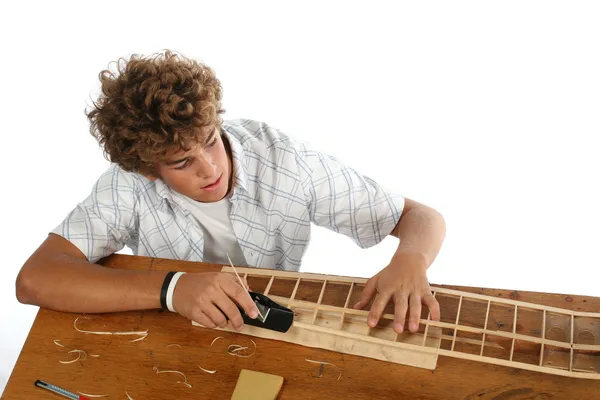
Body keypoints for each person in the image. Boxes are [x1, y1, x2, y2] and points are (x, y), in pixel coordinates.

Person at [16, 50, 446, 335]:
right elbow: (35, 278)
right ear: (148, 170)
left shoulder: (282, 158)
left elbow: (420, 217)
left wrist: (411, 259)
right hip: (177, 334)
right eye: (182, 163)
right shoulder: (127, 186)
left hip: (278, 325)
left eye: (209, 139)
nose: (211, 168)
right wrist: (172, 289)